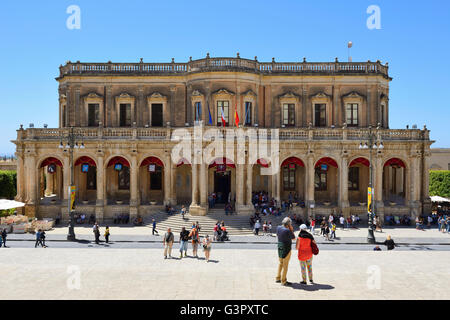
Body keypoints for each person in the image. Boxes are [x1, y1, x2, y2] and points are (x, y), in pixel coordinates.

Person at [276, 217, 295, 286]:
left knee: (280, 263)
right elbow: (293, 238)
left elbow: (278, 235)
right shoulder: (288, 231)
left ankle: (278, 278)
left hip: (280, 246)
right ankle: (283, 281)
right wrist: (291, 230)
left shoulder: (278, 227)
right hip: (286, 248)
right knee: (285, 265)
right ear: (288, 224)